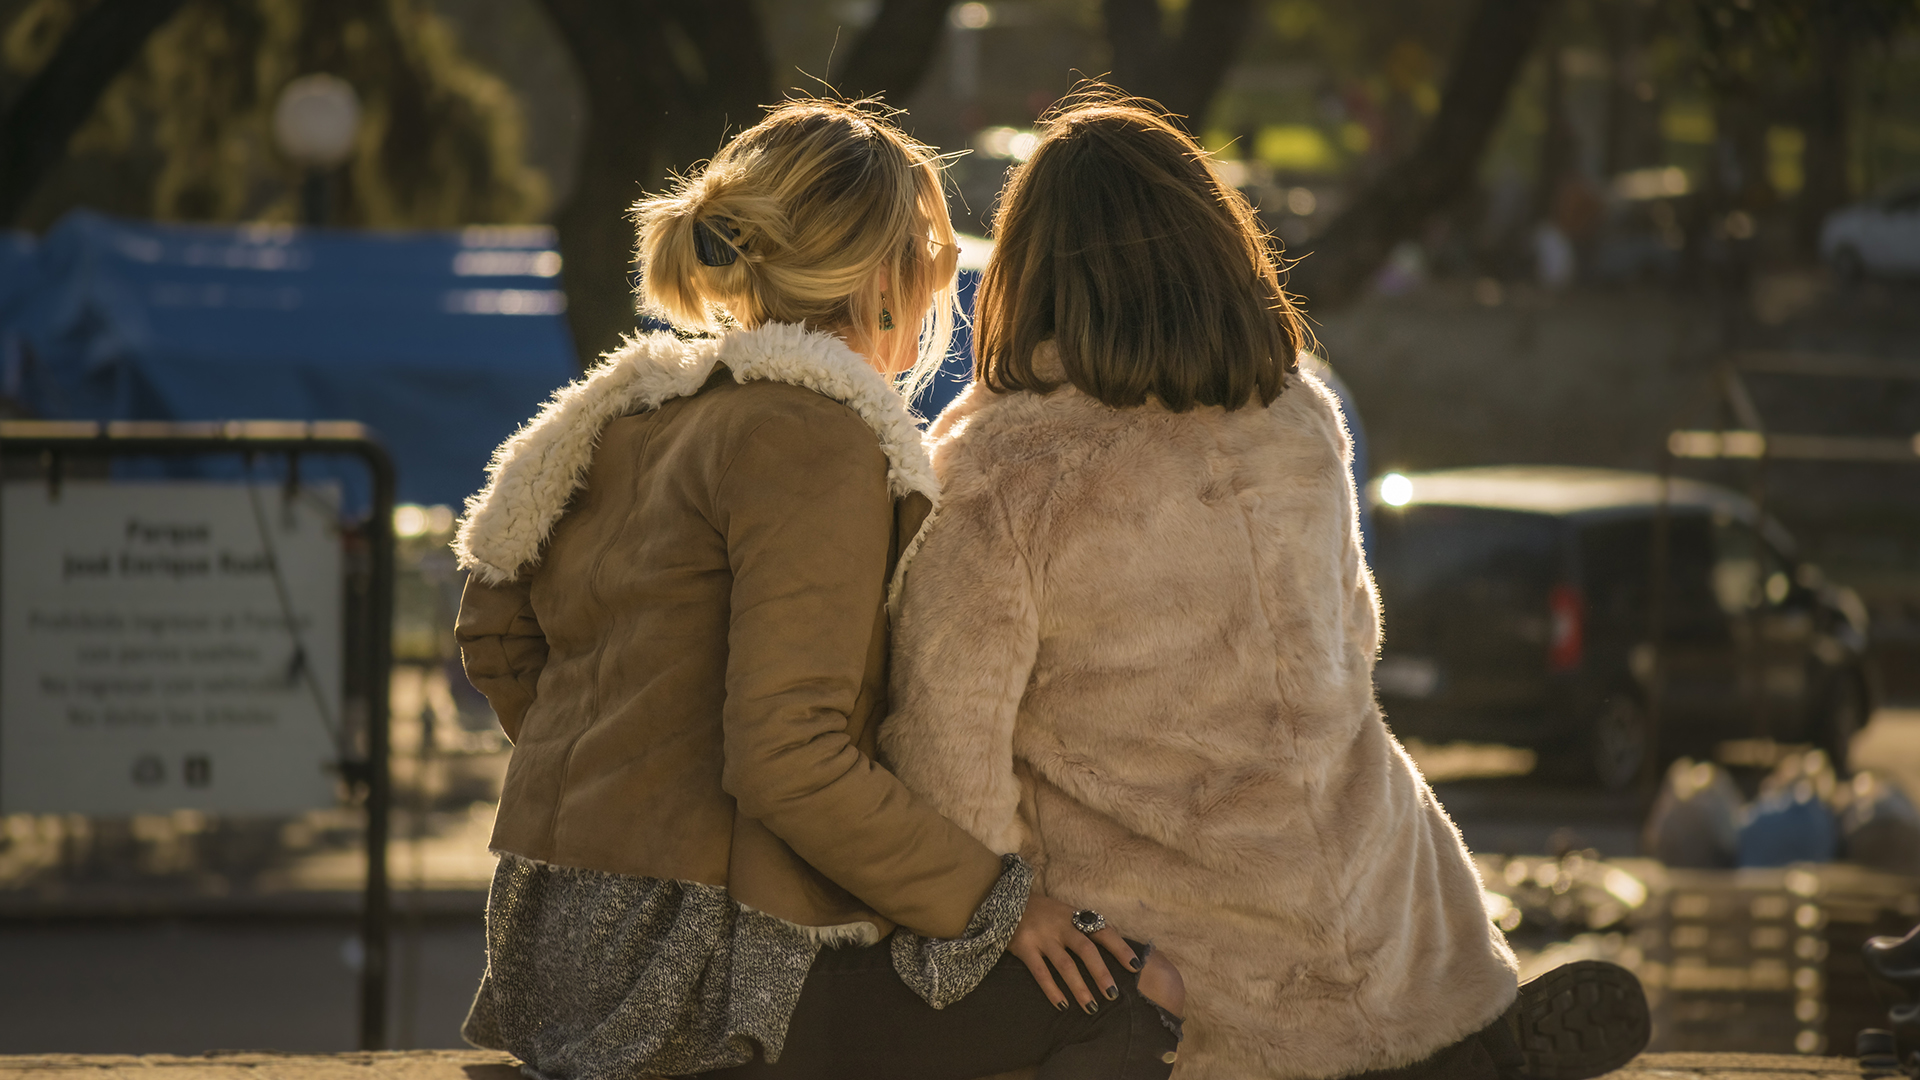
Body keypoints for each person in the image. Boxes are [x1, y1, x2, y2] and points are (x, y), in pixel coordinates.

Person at [878, 90, 1650, 1080]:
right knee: (1366, 778)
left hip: (1191, 989)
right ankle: (1463, 1041)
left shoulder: (997, 480)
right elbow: (1353, 642)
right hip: (1396, 929)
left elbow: (948, 771)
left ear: (1027, 276)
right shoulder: (1300, 417)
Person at [450, 97, 1183, 1080]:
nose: (939, 290)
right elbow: (787, 759)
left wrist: (629, 770)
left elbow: (496, 633)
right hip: (695, 968)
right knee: (1129, 994)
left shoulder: (634, 415)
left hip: (549, 941)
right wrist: (1005, 907)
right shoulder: (814, 434)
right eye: (932, 258)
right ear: (887, 274)